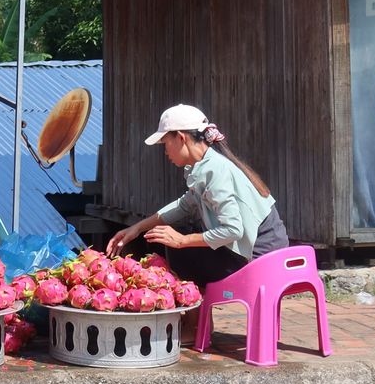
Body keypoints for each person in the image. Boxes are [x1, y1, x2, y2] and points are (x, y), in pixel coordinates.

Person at [106, 104, 290, 294]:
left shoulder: (215, 172)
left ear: (180, 137)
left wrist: (182, 241)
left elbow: (233, 230)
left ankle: (195, 320)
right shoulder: (205, 166)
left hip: (261, 259)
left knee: (180, 250)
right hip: (258, 252)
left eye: (166, 143)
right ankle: (198, 318)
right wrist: (136, 228)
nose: (165, 151)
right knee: (177, 238)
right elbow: (184, 206)